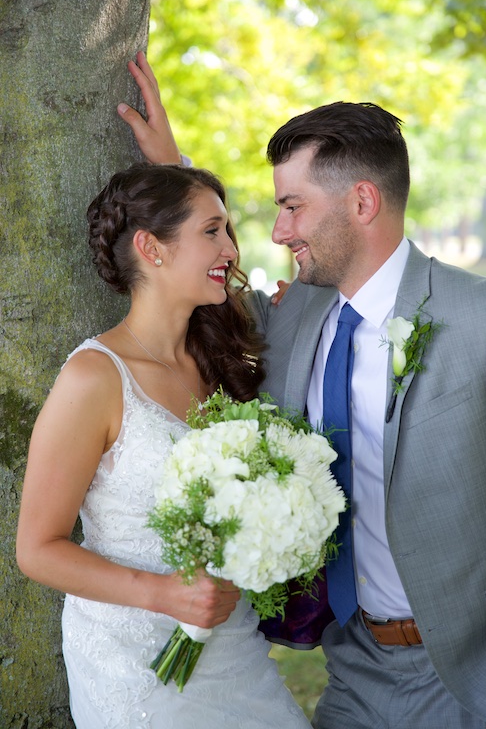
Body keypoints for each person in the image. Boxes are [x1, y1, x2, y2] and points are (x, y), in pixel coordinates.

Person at [120, 53, 486, 729]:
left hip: (474, 673)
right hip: (353, 665)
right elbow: (213, 281)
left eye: (292, 206)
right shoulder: (294, 313)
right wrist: (173, 169)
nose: (277, 232)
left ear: (361, 201)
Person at [16, 162, 312, 728]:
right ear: (151, 247)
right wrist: (164, 594)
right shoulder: (93, 378)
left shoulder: (220, 358)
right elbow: (37, 549)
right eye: (212, 232)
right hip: (136, 669)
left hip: (236, 653)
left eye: (227, 230)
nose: (230, 247)